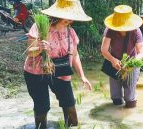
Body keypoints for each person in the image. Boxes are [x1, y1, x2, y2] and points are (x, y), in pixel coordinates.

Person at [23, 0, 92, 128]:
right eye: (66, 19)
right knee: (42, 106)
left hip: (61, 71)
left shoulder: (70, 32)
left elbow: (75, 55)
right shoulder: (39, 27)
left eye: (71, 19)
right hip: (36, 73)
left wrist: (82, 76)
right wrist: (39, 49)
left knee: (69, 104)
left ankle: (71, 125)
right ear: (56, 16)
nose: (70, 22)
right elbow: (29, 52)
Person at [101, 5, 143, 108]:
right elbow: (104, 50)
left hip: (131, 63)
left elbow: (140, 52)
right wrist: (112, 60)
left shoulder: (136, 31)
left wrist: (130, 64)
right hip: (114, 62)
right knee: (116, 98)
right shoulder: (110, 30)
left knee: (130, 98)